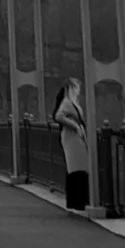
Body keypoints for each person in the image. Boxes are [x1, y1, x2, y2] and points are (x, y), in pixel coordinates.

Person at [53, 77, 90, 211]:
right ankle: (78, 200)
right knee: (78, 166)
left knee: (78, 166)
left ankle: (76, 200)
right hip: (71, 137)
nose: (79, 91)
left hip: (75, 137)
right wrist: (74, 125)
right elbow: (58, 116)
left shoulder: (73, 103)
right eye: (77, 88)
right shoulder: (67, 103)